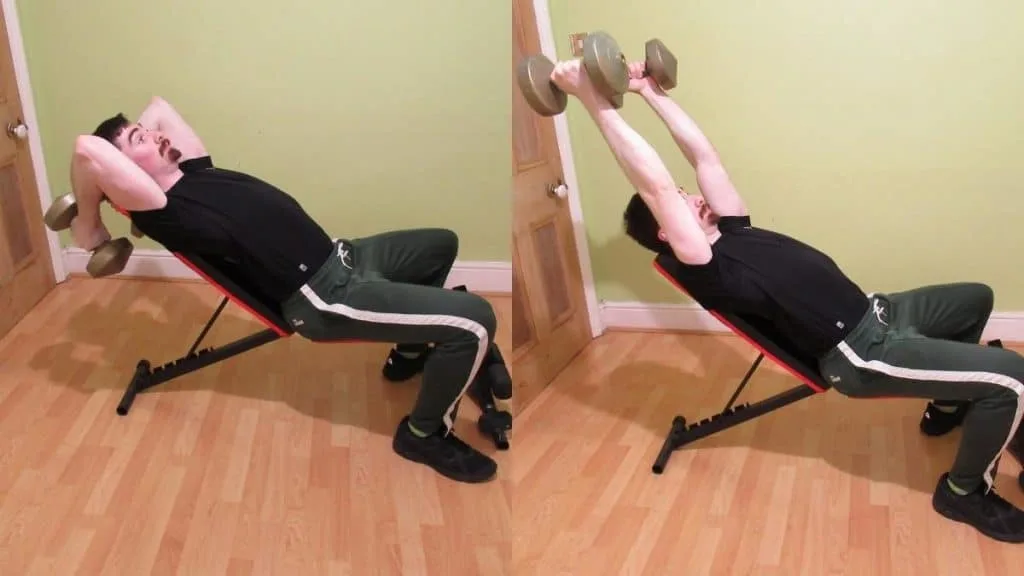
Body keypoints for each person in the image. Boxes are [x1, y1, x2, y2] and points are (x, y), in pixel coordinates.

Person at [546, 59, 1024, 542]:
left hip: (881, 310)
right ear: (667, 233)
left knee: (975, 300)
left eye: (690, 194)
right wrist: (592, 99)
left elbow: (705, 158)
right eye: (681, 202)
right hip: (861, 353)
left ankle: (946, 406)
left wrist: (649, 92)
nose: (691, 196)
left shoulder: (733, 228)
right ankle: (964, 493)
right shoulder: (709, 267)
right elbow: (657, 185)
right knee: (1011, 378)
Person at [69, 96, 500, 484]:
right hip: (323, 297)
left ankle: (407, 357)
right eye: (141, 139)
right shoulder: (166, 211)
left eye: (150, 133)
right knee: (475, 321)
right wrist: (89, 223)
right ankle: (424, 434)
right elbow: (87, 149)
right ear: (127, 174)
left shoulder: (195, 171)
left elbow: (159, 105)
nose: (158, 134)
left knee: (442, 243)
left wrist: (140, 143)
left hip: (344, 256)